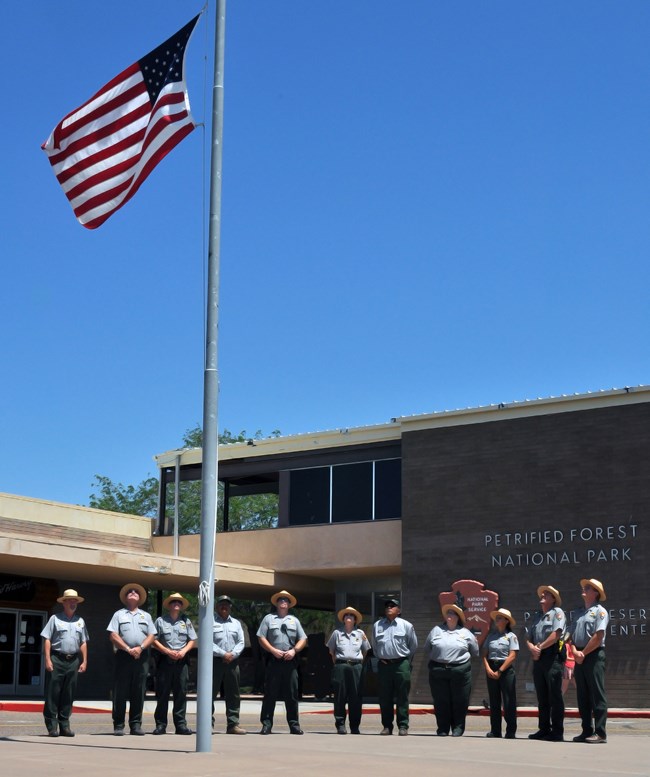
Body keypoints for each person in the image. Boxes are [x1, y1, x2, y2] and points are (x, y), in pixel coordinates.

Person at [106, 583, 156, 736]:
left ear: (139, 598)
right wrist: (128, 649)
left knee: (139, 691)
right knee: (120, 691)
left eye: (136, 592)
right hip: (123, 656)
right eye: (130, 592)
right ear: (126, 598)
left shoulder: (146, 616)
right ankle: (119, 725)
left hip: (141, 657)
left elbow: (152, 636)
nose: (133, 593)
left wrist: (140, 648)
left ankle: (135, 725)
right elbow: (113, 635)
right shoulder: (118, 614)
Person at [257, 589, 307, 735]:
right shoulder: (268, 619)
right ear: (277, 603)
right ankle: (266, 724)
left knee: (292, 693)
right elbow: (261, 637)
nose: (283, 602)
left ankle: (294, 725)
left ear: (289, 605)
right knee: (270, 693)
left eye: (286, 600)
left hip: (290, 661)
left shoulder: (294, 621)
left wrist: (294, 651)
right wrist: (273, 650)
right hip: (274, 660)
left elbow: (303, 638)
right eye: (280, 600)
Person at [40, 589, 88, 737]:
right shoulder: (55, 618)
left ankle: (65, 726)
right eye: (70, 600)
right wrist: (47, 659)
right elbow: (47, 639)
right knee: (53, 693)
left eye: (75, 600)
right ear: (64, 602)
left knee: (68, 694)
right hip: (57, 659)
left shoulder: (80, 621)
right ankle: (51, 726)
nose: (73, 602)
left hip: (73, 660)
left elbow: (83, 642)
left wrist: (85, 661)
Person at [426, 604, 479, 737]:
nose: (449, 615)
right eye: (448, 613)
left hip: (460, 670)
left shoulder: (466, 633)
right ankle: (443, 728)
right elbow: (427, 647)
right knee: (440, 700)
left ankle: (458, 727)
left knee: (460, 700)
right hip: (438, 669)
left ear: (458, 617)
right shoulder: (436, 630)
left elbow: (475, 651)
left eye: (452, 613)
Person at [569, 578, 609, 744]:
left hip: (592, 655)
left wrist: (583, 653)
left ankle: (600, 733)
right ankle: (586, 730)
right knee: (582, 695)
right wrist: (574, 652)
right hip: (579, 655)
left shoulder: (601, 612)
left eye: (588, 587)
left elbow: (598, 637)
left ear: (596, 593)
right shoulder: (578, 613)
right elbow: (570, 636)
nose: (583, 589)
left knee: (597, 694)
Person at [371, 596, 418, 736]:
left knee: (402, 696)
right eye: (387, 606)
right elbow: (374, 646)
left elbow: (413, 645)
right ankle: (387, 726)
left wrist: (405, 662)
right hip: (384, 665)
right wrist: (380, 657)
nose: (389, 608)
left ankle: (403, 726)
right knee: (384, 697)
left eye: (392, 606)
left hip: (401, 664)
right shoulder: (377, 625)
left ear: (399, 610)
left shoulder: (406, 625)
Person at [152, 592, 196, 735]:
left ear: (181, 606)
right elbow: (153, 639)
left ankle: (181, 725)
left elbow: (192, 640)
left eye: (179, 602)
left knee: (181, 693)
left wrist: (183, 651)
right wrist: (166, 651)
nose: (176, 604)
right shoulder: (160, 621)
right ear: (169, 605)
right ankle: (160, 725)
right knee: (162, 693)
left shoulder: (186, 621)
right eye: (173, 602)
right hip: (165, 660)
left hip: (181, 661)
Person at [525, 584, 566, 742]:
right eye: (541, 594)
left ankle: (557, 731)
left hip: (551, 657)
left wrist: (540, 647)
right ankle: (543, 729)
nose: (542, 596)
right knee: (542, 696)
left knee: (554, 696)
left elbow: (556, 635)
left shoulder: (557, 613)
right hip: (538, 658)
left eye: (546, 594)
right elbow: (528, 637)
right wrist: (531, 648)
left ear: (553, 599)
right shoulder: (536, 616)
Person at [326, 606, 370, 734]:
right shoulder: (337, 633)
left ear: (355, 620)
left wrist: (357, 661)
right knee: (340, 696)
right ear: (343, 619)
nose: (349, 617)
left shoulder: (361, 634)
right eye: (346, 615)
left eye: (351, 615)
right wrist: (339, 663)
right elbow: (331, 651)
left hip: (356, 667)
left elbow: (366, 650)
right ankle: (340, 724)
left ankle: (355, 726)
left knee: (356, 697)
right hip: (341, 666)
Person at [212, 594, 247, 734]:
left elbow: (241, 642)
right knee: (210, 693)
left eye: (227, 604)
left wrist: (232, 654)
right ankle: (207, 724)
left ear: (230, 607)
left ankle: (233, 724)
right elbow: (207, 641)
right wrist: (223, 653)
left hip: (232, 662)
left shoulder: (236, 623)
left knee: (233, 694)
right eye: (221, 604)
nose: (224, 606)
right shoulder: (210, 621)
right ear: (216, 606)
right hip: (215, 662)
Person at [482, 607, 518, 739]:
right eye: (496, 616)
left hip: (506, 669)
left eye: (500, 617)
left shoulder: (511, 636)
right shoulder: (491, 636)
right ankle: (495, 730)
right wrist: (488, 669)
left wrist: (500, 670)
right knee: (494, 700)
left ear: (506, 621)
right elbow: (484, 654)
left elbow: (513, 655)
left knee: (509, 701)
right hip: (492, 667)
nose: (497, 619)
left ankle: (511, 731)